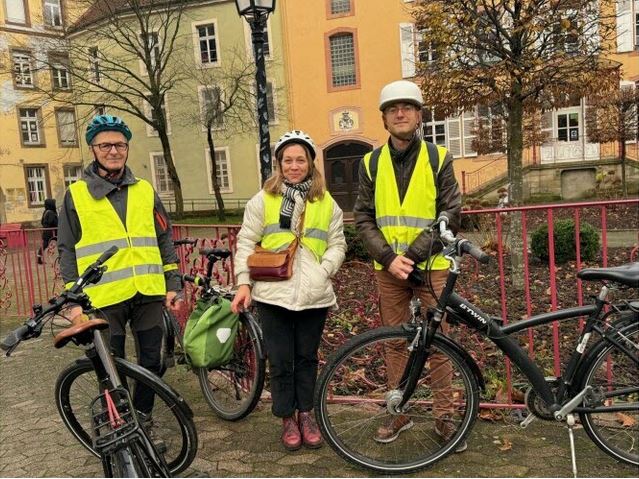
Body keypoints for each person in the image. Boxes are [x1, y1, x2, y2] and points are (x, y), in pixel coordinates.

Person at [353, 80, 465, 450]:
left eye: (407, 107)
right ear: (384, 118)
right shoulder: (369, 163)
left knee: (440, 343)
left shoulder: (439, 158)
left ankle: (444, 418)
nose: (400, 113)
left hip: (430, 263)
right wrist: (388, 258)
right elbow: (363, 217)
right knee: (394, 342)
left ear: (418, 115)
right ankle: (398, 412)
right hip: (388, 267)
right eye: (392, 108)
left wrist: (411, 255)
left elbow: (450, 212)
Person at [57, 114, 182, 428]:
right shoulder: (77, 195)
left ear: (127, 148)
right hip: (103, 297)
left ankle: (141, 415)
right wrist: (74, 300)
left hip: (148, 292)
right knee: (109, 365)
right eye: (106, 145)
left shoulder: (145, 190)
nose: (113, 151)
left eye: (120, 145)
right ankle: (119, 419)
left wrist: (173, 282)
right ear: (94, 149)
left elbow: (163, 236)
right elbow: (67, 249)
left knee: (152, 361)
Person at [231, 130, 346, 451]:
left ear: (311, 163)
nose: (294, 166)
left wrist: (324, 272)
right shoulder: (263, 199)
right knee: (281, 360)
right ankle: (286, 417)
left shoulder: (326, 202)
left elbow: (338, 244)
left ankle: (306, 413)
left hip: (314, 295)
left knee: (306, 358)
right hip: (273, 293)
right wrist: (244, 283)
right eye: (287, 160)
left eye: (300, 160)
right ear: (279, 165)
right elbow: (245, 242)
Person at [36, 198, 58, 265]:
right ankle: (61, 259)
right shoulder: (51, 212)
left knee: (44, 245)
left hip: (46, 231)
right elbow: (53, 222)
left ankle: (39, 259)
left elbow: (42, 222)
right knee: (46, 245)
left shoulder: (46, 211)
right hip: (50, 232)